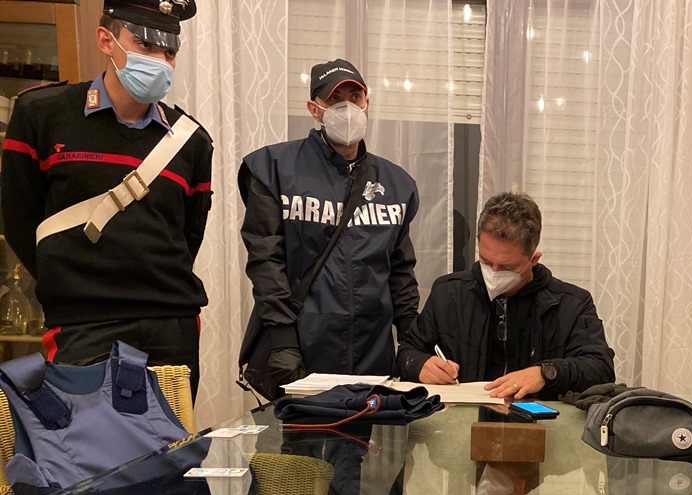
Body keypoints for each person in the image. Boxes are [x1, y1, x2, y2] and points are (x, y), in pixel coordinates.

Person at [0, 0, 213, 397]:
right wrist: (71, 279)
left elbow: (187, 235)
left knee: (173, 437)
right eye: (146, 45)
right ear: (106, 40)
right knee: (84, 437)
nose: (160, 60)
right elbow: (19, 219)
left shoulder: (192, 140)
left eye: (169, 51)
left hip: (172, 324)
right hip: (84, 323)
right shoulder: (42, 113)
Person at [239, 58, 419, 392]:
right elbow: (266, 263)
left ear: (367, 103)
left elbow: (400, 272)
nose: (347, 108)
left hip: (374, 353)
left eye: (355, 97)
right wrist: (282, 341)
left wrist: (412, 342)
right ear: (315, 109)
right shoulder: (274, 169)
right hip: (301, 351)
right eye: (335, 99)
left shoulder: (397, 184)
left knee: (369, 427)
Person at [397, 191, 615, 399]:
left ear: (534, 259)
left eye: (507, 267)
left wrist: (546, 373)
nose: (494, 273)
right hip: (460, 416)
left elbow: (601, 368)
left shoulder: (572, 304)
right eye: (486, 261)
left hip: (539, 420)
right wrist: (420, 365)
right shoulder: (448, 293)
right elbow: (407, 353)